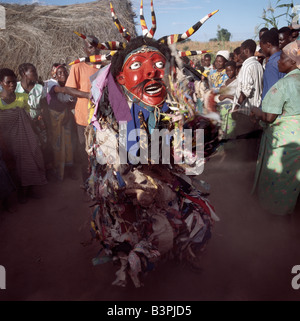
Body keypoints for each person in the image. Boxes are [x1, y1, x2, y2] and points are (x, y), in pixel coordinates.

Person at [71, 1, 220, 287]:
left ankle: (178, 256)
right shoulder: (114, 106)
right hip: (130, 182)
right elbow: (115, 153)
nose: (151, 72)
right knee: (129, 224)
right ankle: (134, 269)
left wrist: (201, 134)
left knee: (190, 218)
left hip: (165, 180)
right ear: (121, 76)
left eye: (158, 64)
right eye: (138, 65)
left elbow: (191, 158)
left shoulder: (174, 100)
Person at [251, 40, 300, 216]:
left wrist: (256, 111)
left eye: (283, 59)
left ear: (293, 62)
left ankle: (274, 218)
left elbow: (269, 117)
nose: (278, 61)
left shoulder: (284, 85)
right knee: (293, 181)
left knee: (278, 179)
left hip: (284, 143)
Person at [0, 68, 47, 204]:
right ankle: (15, 195)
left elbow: (27, 119)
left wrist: (37, 133)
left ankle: (28, 191)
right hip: (5, 141)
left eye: (14, 82)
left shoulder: (23, 98)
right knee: (11, 168)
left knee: (29, 161)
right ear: (1, 83)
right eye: (8, 82)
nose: (12, 85)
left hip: (23, 138)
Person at [64, 35, 102, 185]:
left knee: (102, 151)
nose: (95, 49)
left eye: (97, 46)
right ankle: (87, 183)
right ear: (85, 49)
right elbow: (68, 88)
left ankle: (101, 183)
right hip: (84, 118)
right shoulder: (78, 66)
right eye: (91, 47)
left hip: (101, 118)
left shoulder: (105, 65)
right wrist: (87, 95)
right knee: (85, 152)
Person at [46, 64, 77, 181]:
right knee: (57, 145)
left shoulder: (67, 86)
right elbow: (63, 99)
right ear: (55, 76)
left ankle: (69, 170)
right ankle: (59, 171)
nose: (62, 74)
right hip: (56, 120)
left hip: (66, 119)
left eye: (64, 72)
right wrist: (72, 93)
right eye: (59, 73)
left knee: (69, 144)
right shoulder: (53, 86)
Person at [233, 39, 264, 116]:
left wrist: (237, 106)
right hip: (257, 107)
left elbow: (246, 91)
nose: (240, 55)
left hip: (246, 110)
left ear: (246, 51)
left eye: (241, 52)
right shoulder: (258, 65)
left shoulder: (247, 66)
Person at [260, 29, 286, 100]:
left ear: (268, 45)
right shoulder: (284, 58)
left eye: (261, 46)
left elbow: (272, 93)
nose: (261, 50)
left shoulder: (271, 64)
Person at [215, 61, 238, 139]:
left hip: (231, 110)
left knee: (230, 133)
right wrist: (223, 96)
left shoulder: (238, 82)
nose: (229, 72)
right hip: (222, 110)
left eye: (231, 70)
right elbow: (220, 97)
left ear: (235, 70)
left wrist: (226, 96)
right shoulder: (225, 82)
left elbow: (239, 98)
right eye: (227, 71)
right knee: (222, 133)